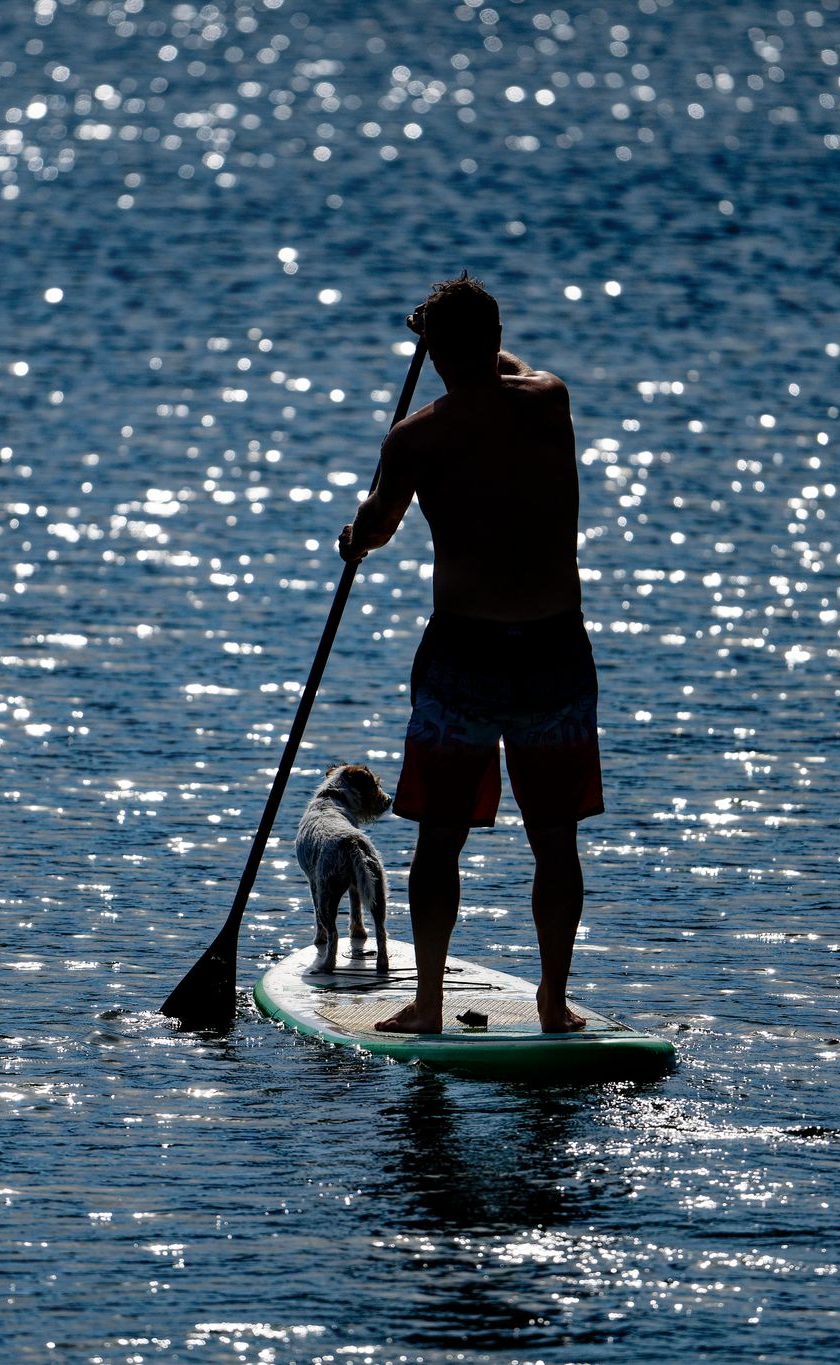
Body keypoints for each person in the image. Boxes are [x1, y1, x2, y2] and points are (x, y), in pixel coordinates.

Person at [336, 275, 602, 1034]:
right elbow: (501, 369)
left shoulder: (417, 437)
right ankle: (552, 1000)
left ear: (432, 350)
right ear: (493, 343)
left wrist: (354, 536)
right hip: (556, 644)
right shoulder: (549, 400)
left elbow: (379, 524)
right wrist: (453, 337)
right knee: (555, 838)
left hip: (466, 651)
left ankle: (427, 1005)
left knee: (439, 837)